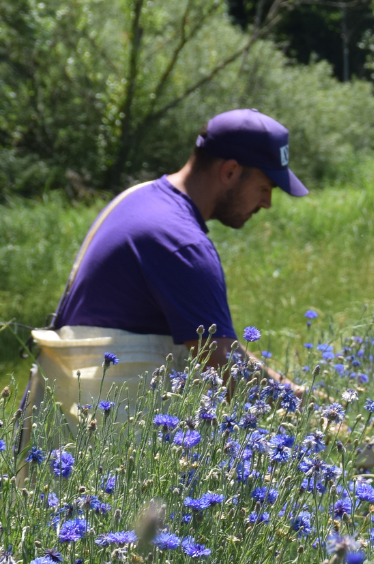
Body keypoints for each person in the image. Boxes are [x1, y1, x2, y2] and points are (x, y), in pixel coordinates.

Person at [26, 109, 306, 423]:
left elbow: (220, 351)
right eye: (265, 188)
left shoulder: (138, 199)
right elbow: (225, 368)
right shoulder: (180, 241)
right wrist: (315, 417)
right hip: (99, 442)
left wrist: (298, 394)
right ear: (230, 171)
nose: (267, 203)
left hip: (62, 418)